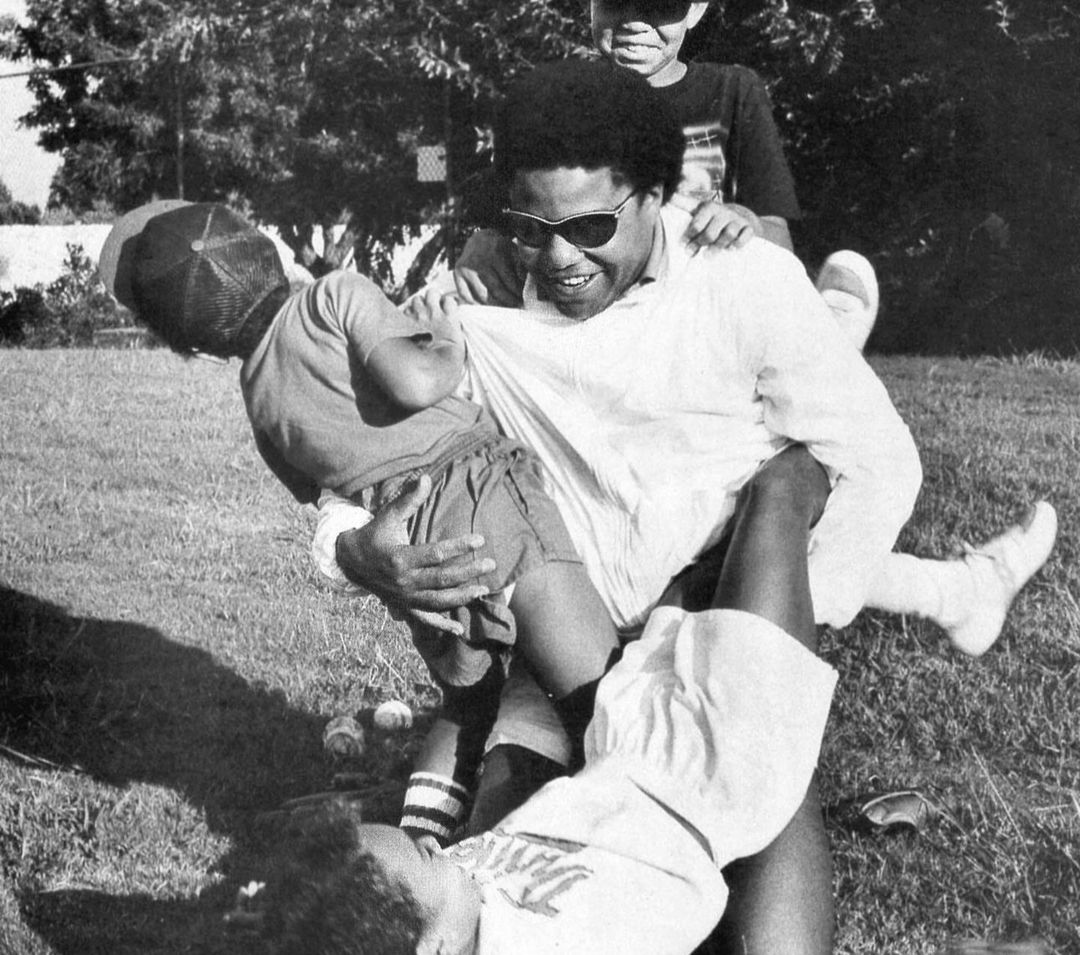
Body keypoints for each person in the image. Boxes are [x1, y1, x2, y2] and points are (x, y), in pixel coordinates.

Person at [316, 60, 1057, 954]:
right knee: (502, 887)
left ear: (656, 194)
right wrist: (356, 552)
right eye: (530, 225)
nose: (558, 258)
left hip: (713, 616)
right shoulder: (480, 295)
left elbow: (879, 461)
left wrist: (772, 637)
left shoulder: (738, 280)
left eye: (589, 225)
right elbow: (353, 451)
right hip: (570, 645)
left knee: (758, 884)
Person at [96, 199, 623, 848]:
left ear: (197, 344)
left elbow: (325, 492)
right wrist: (448, 341)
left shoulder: (259, 401)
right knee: (598, 693)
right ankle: (633, 817)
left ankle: (424, 847)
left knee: (468, 702)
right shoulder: (333, 295)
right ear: (265, 247)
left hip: (409, 550)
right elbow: (414, 381)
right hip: (477, 490)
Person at [262, 446, 840, 955]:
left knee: (695, 557)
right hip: (715, 769)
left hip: (627, 743)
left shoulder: (441, 912)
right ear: (433, 949)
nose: (441, 847)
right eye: (429, 856)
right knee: (779, 491)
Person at [450, 0, 881, 349]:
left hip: (702, 308)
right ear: (590, 7)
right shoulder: (558, 98)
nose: (635, 21)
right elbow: (501, 220)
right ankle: (824, 346)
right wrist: (481, 243)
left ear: (696, 10)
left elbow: (778, 238)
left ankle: (822, 349)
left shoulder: (733, 91)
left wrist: (745, 222)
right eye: (616, 4)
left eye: (661, 6)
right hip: (597, 314)